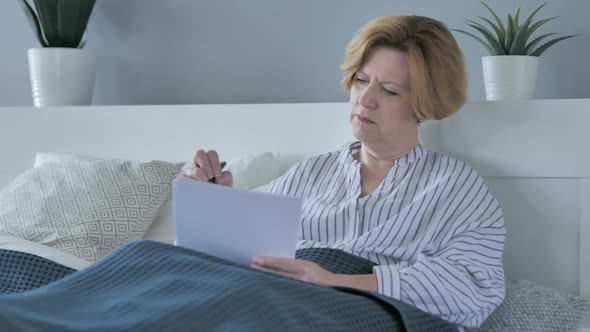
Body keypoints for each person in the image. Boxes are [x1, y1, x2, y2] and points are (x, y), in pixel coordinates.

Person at [182, 15, 505, 329]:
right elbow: (243, 255)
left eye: (389, 90)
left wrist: (336, 282)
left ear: (424, 104)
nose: (365, 99)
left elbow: (474, 288)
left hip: (352, 311)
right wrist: (212, 204)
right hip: (270, 297)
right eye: (361, 80)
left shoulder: (455, 186)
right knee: (141, 256)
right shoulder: (310, 172)